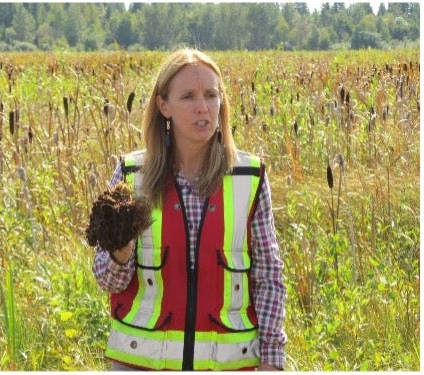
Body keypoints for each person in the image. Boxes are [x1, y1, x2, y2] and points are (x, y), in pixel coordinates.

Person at [92, 48, 287, 371]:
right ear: (163, 106)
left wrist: (272, 361)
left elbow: (268, 277)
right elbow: (108, 280)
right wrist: (121, 251)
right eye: (188, 96)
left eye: (211, 95)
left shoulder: (249, 178)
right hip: (142, 363)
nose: (202, 107)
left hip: (229, 365)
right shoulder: (131, 175)